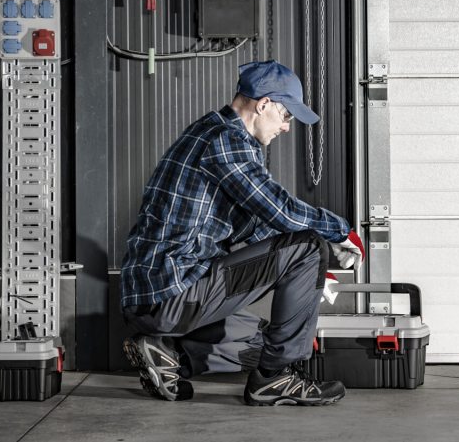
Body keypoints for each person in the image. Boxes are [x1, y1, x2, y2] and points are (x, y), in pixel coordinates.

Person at [119, 60, 364, 406]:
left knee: (260, 340)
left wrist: (308, 280)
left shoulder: (212, 132)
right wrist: (339, 232)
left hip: (160, 294)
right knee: (309, 246)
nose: (286, 128)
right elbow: (280, 210)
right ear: (263, 104)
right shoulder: (226, 140)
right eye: (286, 116)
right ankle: (275, 379)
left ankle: (170, 356)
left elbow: (254, 225)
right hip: (172, 291)